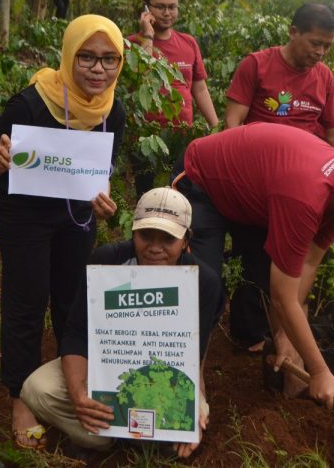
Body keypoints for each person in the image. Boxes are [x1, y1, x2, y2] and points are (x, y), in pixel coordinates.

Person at [173, 123, 334, 406]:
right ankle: (189, 388)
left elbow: (308, 263)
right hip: (202, 178)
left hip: (252, 196)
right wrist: (320, 371)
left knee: (272, 280)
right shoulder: (307, 195)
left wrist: (286, 334)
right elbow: (283, 296)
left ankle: (285, 375)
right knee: (201, 287)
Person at [0, 15, 126, 449]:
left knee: (72, 298)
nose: (98, 70)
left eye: (109, 59)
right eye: (87, 58)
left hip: (75, 215)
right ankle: (22, 396)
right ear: (69, 55)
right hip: (24, 214)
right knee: (27, 299)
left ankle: (71, 386)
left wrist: (104, 196)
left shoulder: (112, 109)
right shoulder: (30, 103)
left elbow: (103, 165)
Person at [21, 187, 223, 459]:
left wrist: (191, 414)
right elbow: (77, 333)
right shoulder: (107, 262)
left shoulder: (203, 282)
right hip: (103, 364)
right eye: (145, 235)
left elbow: (192, 356)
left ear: (186, 240)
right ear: (133, 233)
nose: (154, 247)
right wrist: (80, 395)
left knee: (193, 424)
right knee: (36, 389)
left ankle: (128, 434)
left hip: (165, 376)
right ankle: (105, 439)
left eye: (167, 238)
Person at [129, 0, 219, 198]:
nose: (167, 13)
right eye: (160, 7)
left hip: (182, 136)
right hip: (145, 138)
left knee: (178, 193)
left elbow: (199, 89)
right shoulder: (131, 43)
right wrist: (148, 36)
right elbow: (141, 76)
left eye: (172, 7)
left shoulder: (188, 43)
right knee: (147, 195)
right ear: (146, 9)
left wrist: (216, 127)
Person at [224, 3, 334, 154]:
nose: (320, 52)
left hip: (304, 162)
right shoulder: (256, 65)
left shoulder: (324, 76)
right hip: (259, 158)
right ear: (293, 32)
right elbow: (232, 123)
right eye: (315, 43)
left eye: (327, 46)